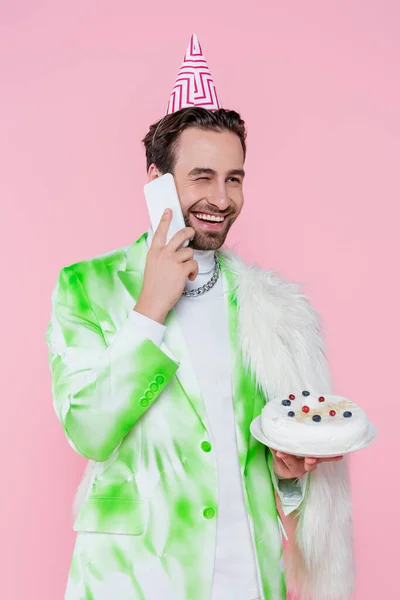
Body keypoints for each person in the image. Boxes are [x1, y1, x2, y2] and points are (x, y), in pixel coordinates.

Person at [47, 35, 354, 600]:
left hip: (246, 579)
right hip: (133, 580)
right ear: (157, 179)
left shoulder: (274, 310)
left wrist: (286, 478)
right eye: (202, 176)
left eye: (234, 177)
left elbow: (273, 470)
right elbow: (88, 431)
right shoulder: (86, 287)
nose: (221, 196)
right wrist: (149, 310)